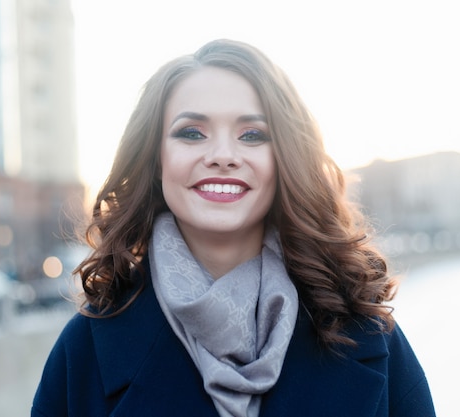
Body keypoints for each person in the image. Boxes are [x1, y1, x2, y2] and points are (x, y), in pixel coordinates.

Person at [31, 39, 436, 417]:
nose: (223, 156)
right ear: (156, 160)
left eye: (252, 135)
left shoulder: (369, 337)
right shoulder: (83, 351)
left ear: (285, 161)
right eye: (192, 133)